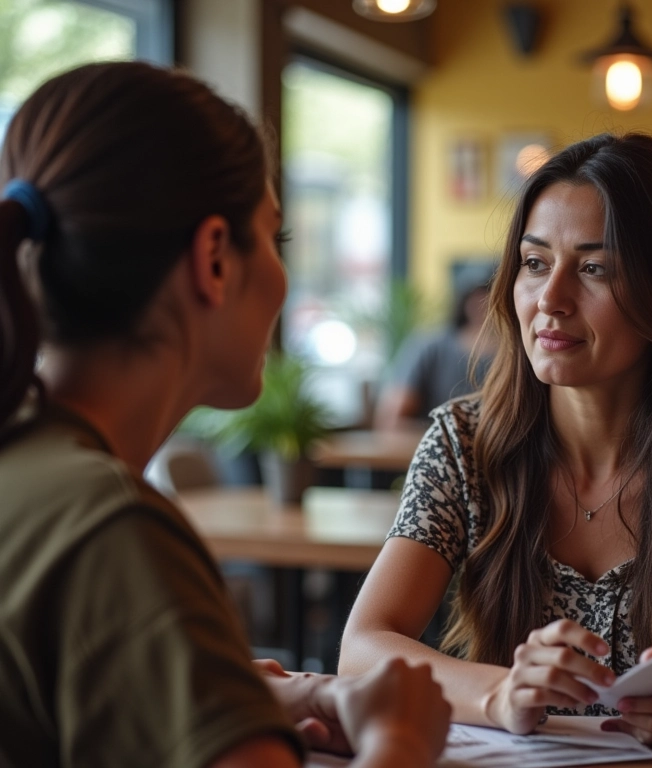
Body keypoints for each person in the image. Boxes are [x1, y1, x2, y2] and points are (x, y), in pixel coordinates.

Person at [0, 61, 451, 768]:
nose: (282, 275)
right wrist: (402, 738)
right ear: (213, 259)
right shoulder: (112, 530)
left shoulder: (27, 467)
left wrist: (253, 697)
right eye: (275, 237)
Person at [339, 132, 652, 747]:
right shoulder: (465, 443)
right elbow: (361, 649)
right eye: (535, 263)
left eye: (595, 269)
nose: (551, 299)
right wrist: (500, 693)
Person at [374, 272, 497, 431]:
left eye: (492, 297)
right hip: (427, 439)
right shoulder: (429, 346)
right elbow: (393, 417)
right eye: (479, 297)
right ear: (466, 301)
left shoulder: (517, 353)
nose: (484, 305)